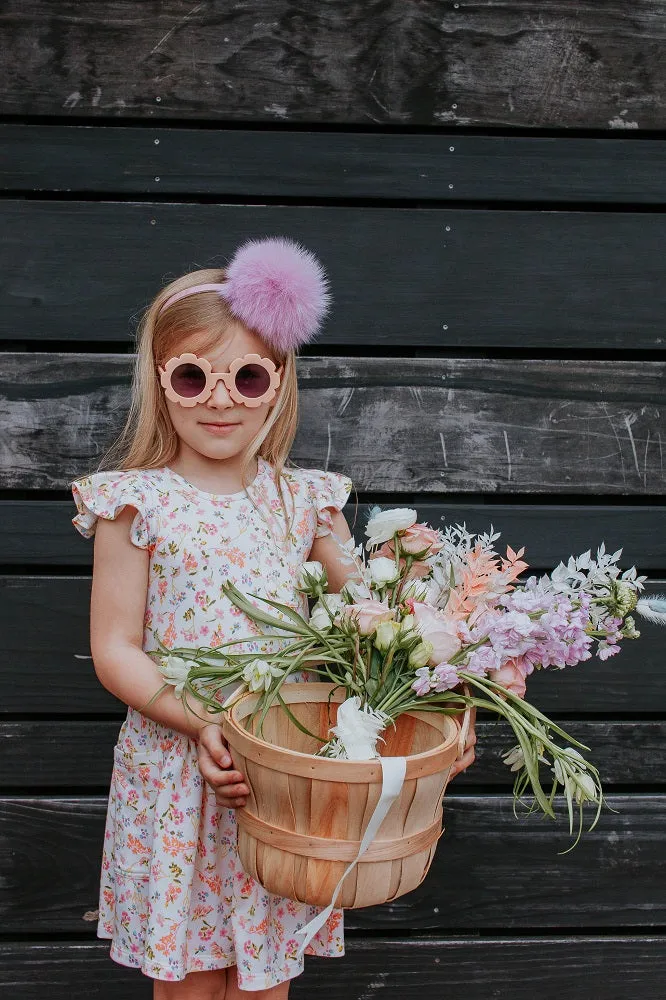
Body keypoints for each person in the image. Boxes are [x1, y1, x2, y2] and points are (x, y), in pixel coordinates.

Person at [70, 237, 478, 1000]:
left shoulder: (304, 504)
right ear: (162, 382)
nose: (219, 398)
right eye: (193, 377)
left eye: (246, 376)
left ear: (279, 381)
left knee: (263, 983)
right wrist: (200, 723)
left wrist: (446, 696)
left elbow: (373, 625)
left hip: (282, 780)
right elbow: (115, 647)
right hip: (181, 779)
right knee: (190, 981)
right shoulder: (135, 503)